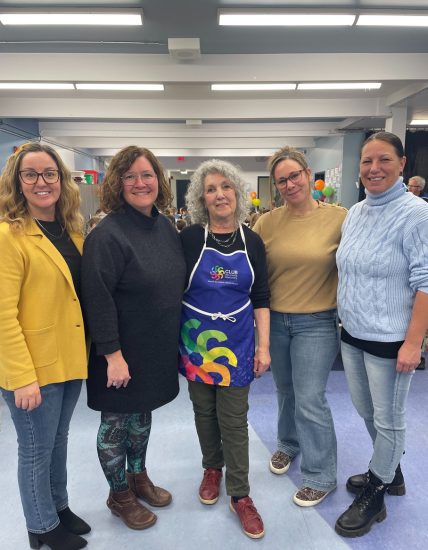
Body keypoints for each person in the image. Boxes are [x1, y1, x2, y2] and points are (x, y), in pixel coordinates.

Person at [81, 145, 186, 531]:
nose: (140, 183)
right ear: (117, 183)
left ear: (159, 180)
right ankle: (119, 494)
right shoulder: (106, 235)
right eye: (130, 176)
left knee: (141, 415)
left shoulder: (164, 227)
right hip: (119, 352)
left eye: (147, 175)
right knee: (116, 423)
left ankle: (138, 476)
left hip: (153, 346)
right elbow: (97, 298)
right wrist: (112, 354)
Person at [335, 131, 428, 538]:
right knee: (366, 410)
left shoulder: (417, 214)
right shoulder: (356, 212)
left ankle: (376, 493)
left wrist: (414, 343)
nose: (374, 169)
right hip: (353, 332)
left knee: (388, 419)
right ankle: (392, 472)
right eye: (367, 161)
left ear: (402, 164)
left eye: (384, 159)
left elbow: (426, 281)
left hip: (391, 339)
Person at [0, 142, 89, 550]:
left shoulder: (72, 231)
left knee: (58, 441)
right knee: (36, 449)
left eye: (49, 173)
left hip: (68, 358)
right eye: (30, 174)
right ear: (17, 182)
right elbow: (3, 315)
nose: (41, 182)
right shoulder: (8, 236)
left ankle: (59, 506)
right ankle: (41, 526)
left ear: (61, 180)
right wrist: (21, 377)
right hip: (32, 368)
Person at [179, 159, 270, 539]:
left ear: (237, 192)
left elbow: (261, 296)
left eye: (225, 187)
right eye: (211, 189)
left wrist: (263, 347)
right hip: (196, 340)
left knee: (233, 418)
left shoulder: (253, 241)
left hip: (238, 343)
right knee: (203, 411)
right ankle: (211, 467)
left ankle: (240, 494)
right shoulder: (189, 239)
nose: (219, 195)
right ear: (202, 199)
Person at [253, 146, 346, 507]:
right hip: (275, 320)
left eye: (295, 176)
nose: (290, 184)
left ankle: (321, 475)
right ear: (275, 186)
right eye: (282, 181)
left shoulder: (339, 218)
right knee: (286, 390)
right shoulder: (266, 223)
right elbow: (254, 273)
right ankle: (288, 443)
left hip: (317, 322)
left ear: (308, 174)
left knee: (309, 398)